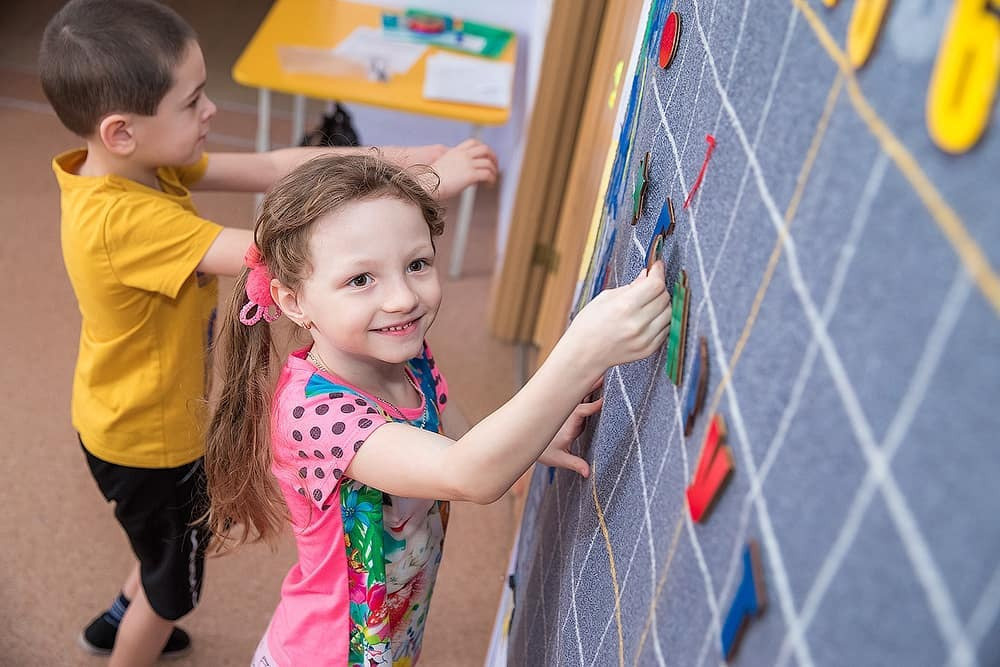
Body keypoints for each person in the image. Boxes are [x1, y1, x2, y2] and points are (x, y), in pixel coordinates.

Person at [38, 1, 497, 664]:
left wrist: (395, 161)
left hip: (134, 419)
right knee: (174, 593)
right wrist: (424, 185)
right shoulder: (117, 220)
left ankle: (122, 610)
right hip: (150, 442)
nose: (211, 111)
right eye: (193, 100)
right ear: (122, 131)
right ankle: (133, 634)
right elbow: (295, 244)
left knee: (165, 546)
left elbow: (281, 164)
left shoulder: (133, 163)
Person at [202, 153, 672, 666]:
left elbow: (453, 432)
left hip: (394, 635)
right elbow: (468, 472)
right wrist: (583, 351)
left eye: (417, 264)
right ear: (294, 302)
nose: (403, 298)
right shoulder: (314, 415)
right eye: (361, 279)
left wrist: (533, 440)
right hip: (327, 655)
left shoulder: (405, 355)